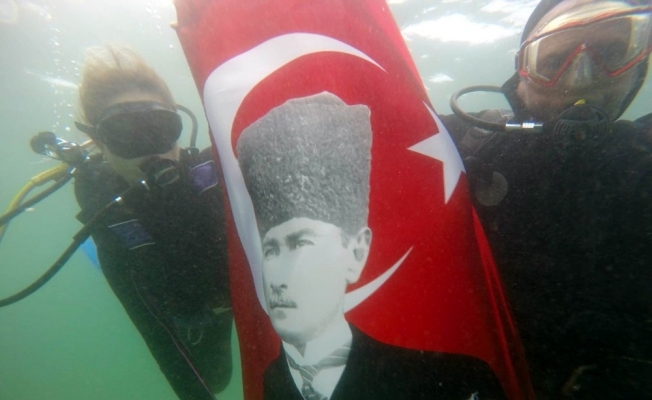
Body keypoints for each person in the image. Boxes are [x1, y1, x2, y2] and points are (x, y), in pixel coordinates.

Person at [440, 1, 652, 398]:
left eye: (611, 52)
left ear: (640, 63)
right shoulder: (459, 148)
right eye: (553, 61)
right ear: (522, 77)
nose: (583, 77)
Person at [236, 91, 507, 400]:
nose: (279, 279)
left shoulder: (454, 382)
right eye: (270, 250)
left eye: (301, 243)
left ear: (356, 253)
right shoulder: (272, 381)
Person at [72, 45, 232, 400]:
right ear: (99, 142)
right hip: (189, 314)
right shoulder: (111, 217)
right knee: (216, 380)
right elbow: (154, 331)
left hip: (241, 297)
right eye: (125, 133)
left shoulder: (214, 176)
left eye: (160, 128)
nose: (152, 151)